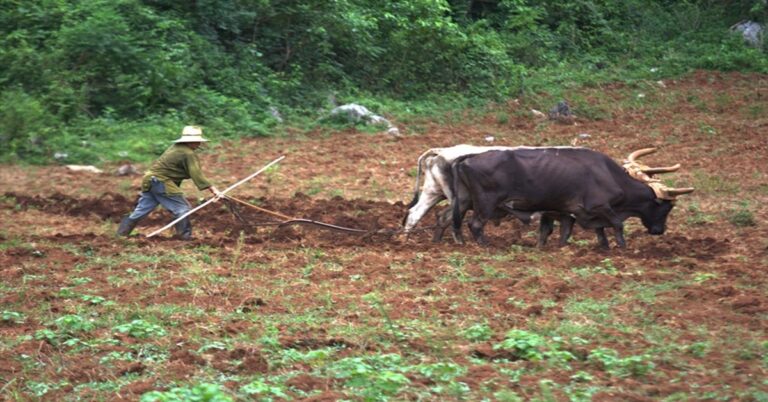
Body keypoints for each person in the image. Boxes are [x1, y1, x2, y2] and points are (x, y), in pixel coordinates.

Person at [117, 126, 223, 239]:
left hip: (150, 180)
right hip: (161, 182)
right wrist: (214, 190)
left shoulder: (176, 147)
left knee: (141, 210)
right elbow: (196, 174)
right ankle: (184, 237)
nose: (199, 144)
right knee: (182, 208)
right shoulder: (187, 153)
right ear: (191, 141)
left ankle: (121, 234)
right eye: (197, 141)